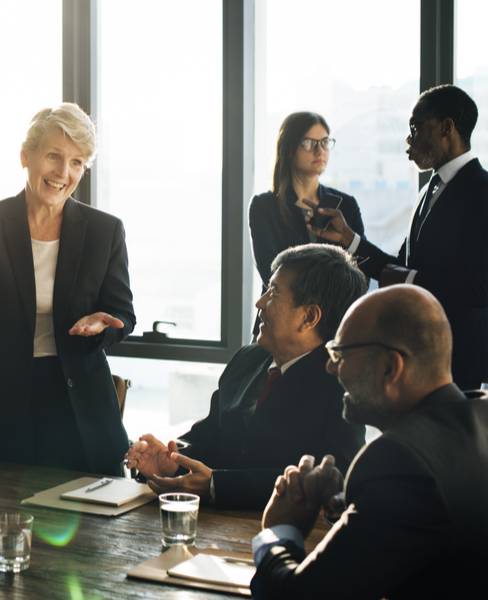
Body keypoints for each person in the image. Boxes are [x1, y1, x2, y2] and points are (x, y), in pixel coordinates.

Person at [0, 103, 133, 476]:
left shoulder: (105, 231)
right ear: (25, 155)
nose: (63, 173)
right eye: (54, 156)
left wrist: (104, 325)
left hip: (77, 403)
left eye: (77, 162)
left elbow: (123, 313)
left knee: (91, 529)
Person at [251, 284, 488, 599]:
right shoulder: (479, 415)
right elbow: (419, 534)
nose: (330, 366)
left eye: (340, 353)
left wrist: (278, 531)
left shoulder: (398, 460)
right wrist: (340, 504)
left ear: (391, 367)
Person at [125, 244, 367, 509]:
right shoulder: (248, 360)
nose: (259, 303)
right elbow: (212, 435)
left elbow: (335, 477)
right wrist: (171, 460)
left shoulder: (341, 383)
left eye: (273, 293)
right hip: (213, 526)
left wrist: (219, 485)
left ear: (309, 316)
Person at [316, 85, 488, 390]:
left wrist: (409, 282)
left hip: (459, 364)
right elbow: (400, 267)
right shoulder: (428, 191)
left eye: (416, 127)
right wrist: (348, 239)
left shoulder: (482, 192)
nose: (409, 139)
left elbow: (478, 288)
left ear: (447, 127)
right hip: (417, 356)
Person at [249, 112, 365, 336]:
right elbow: (271, 270)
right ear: (289, 148)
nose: (319, 150)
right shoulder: (264, 206)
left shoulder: (345, 204)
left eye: (324, 142)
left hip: (333, 325)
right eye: (309, 143)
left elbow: (359, 269)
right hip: (280, 322)